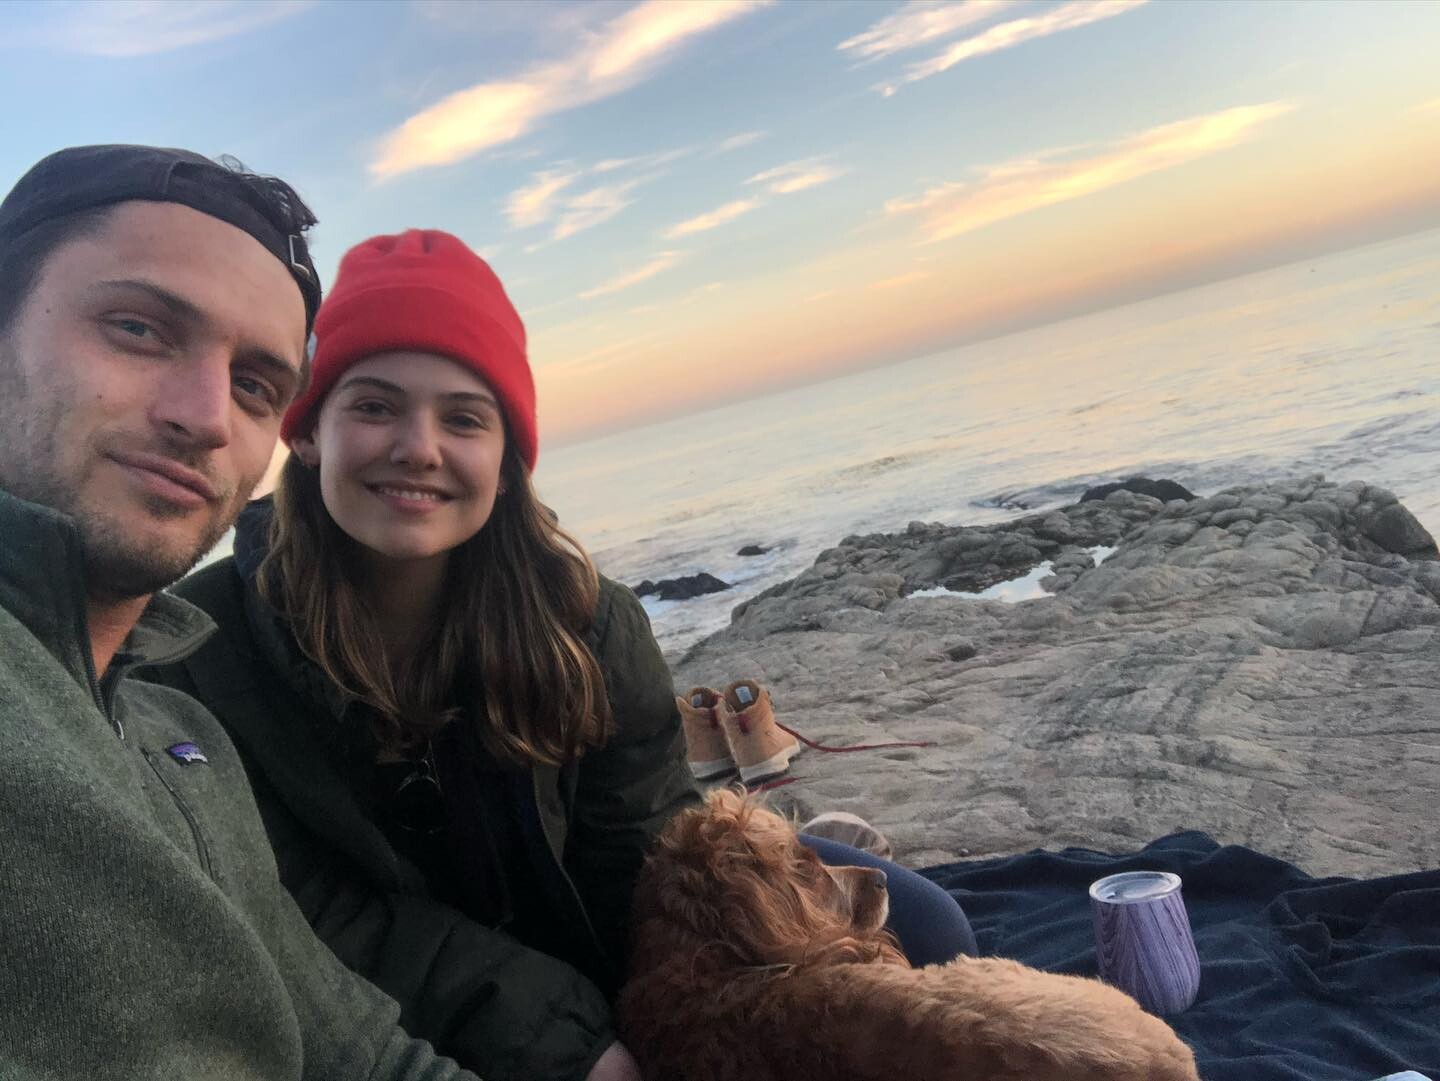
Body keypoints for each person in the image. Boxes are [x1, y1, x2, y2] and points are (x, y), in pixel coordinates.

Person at [143, 229, 978, 1081]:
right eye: (375, 406)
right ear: (308, 432)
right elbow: (310, 916)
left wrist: (698, 1008)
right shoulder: (192, 655)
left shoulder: (589, 625)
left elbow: (641, 858)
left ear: (506, 460)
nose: (419, 447)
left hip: (581, 957)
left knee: (931, 933)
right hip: (369, 1009)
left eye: (463, 418)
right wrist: (573, 1049)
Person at [0, 146, 478, 1080]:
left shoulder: (186, 739)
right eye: (138, 328)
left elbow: (366, 1054)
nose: (208, 416)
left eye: (257, 384)